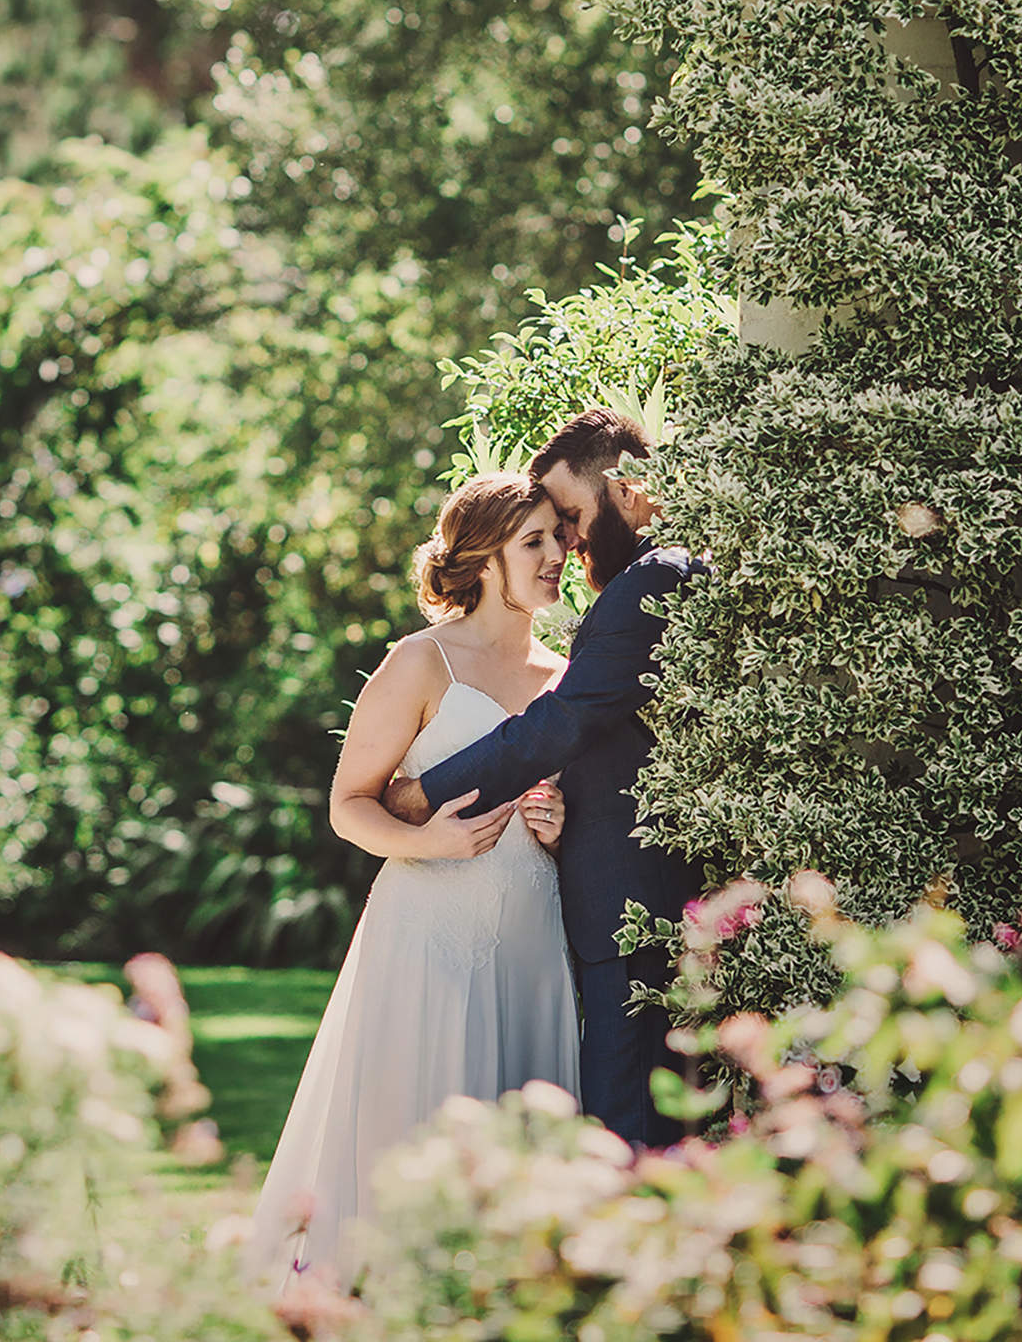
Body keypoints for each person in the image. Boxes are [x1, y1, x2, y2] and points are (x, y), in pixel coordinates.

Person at [246, 472, 577, 1287]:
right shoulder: (422, 661)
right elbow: (348, 806)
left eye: (559, 538)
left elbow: (578, 809)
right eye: (533, 541)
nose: (556, 555)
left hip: (533, 937)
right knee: (412, 1131)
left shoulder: (567, 676)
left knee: (519, 1144)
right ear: (485, 557)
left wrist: (562, 827)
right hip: (428, 931)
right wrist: (429, 841)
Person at [386, 406, 703, 1149]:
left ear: (627, 493)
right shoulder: (635, 583)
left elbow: (562, 724)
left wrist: (420, 792)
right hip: (598, 914)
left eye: (569, 515)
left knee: (629, 1137)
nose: (567, 540)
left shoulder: (654, 577)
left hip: (633, 910)